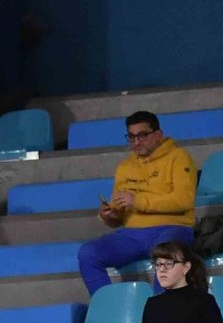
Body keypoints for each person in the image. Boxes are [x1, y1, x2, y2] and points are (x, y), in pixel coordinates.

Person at [78, 111, 197, 295]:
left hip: (172, 227)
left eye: (142, 135)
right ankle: (110, 306)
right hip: (131, 235)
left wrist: (138, 201)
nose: (136, 142)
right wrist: (110, 216)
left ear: (158, 134)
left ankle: (162, 309)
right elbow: (119, 214)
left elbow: (183, 200)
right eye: (131, 137)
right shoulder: (125, 167)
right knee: (88, 253)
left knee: (166, 252)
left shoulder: (179, 157)